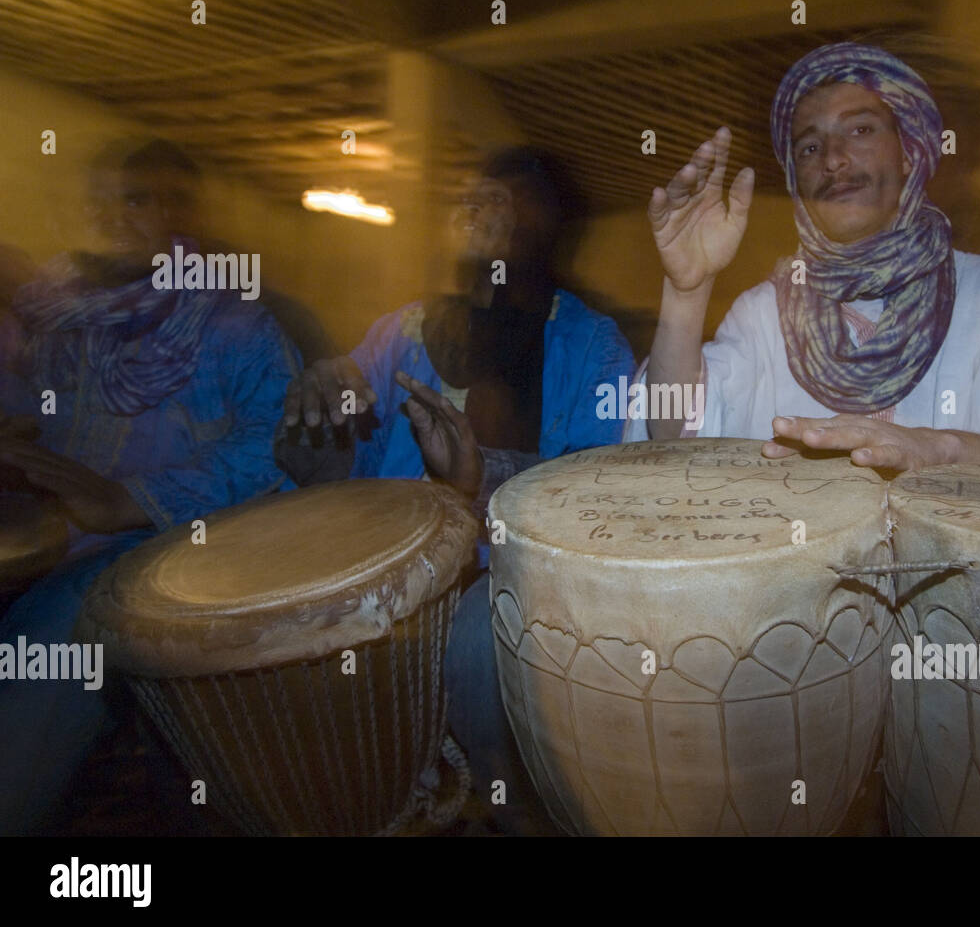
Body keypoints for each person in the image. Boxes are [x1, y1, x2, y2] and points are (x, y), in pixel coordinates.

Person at [278, 146, 635, 833]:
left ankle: (515, 810)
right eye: (475, 198)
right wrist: (313, 415)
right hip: (373, 572)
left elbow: (591, 502)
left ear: (551, 227)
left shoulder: (593, 346)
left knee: (476, 640)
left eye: (509, 200)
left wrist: (477, 481)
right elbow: (330, 478)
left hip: (496, 580)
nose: (484, 212)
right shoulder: (402, 331)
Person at [630, 42, 980, 468]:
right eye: (808, 147)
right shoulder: (763, 316)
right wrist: (686, 291)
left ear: (910, 151)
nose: (833, 160)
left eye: (860, 131)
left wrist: (940, 451)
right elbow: (670, 433)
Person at [0, 138, 300, 834]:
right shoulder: (53, 318)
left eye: (134, 199)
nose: (109, 217)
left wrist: (129, 500)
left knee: (54, 643)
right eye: (99, 200)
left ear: (177, 212)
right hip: (56, 546)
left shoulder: (235, 321)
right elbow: (29, 405)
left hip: (174, 555)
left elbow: (274, 448)